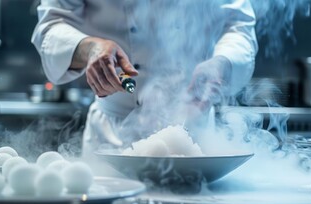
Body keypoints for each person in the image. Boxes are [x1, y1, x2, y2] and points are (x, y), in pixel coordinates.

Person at [32, 0, 258, 167]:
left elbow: (237, 27)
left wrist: (222, 63)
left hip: (193, 130)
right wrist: (89, 48)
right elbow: (51, 25)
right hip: (111, 134)